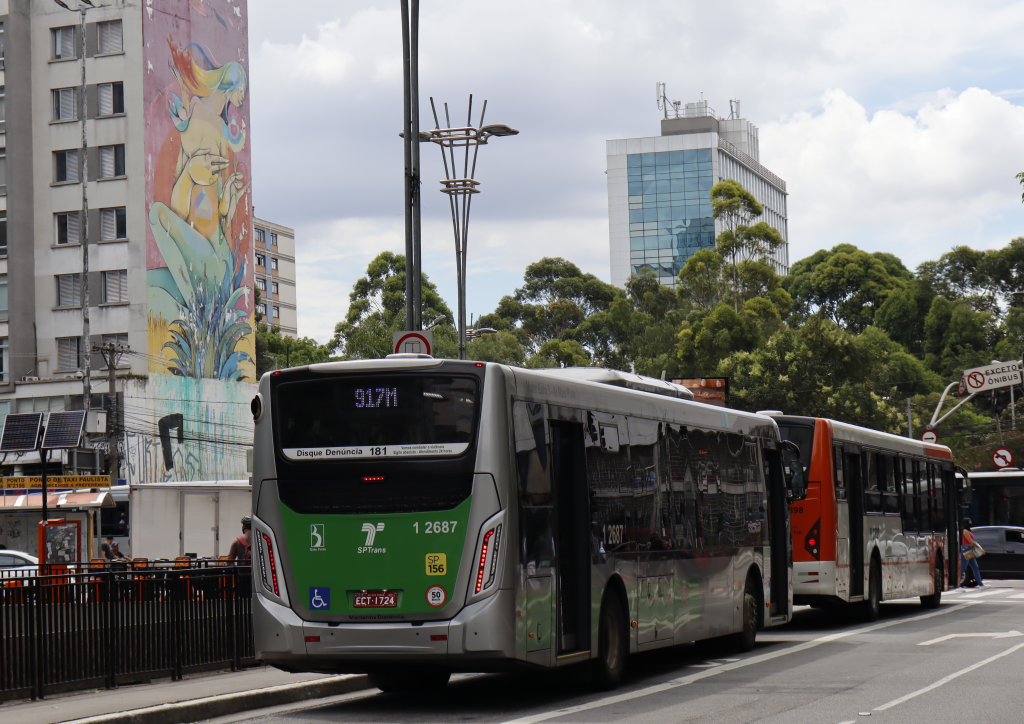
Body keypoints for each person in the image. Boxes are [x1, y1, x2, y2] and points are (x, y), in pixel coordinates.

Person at [960, 518, 984, 588]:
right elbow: (970, 541)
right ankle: (958, 585)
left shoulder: (968, 530)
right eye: (970, 521)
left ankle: (981, 584)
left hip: (969, 549)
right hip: (966, 549)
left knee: (975, 567)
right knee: (963, 568)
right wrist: (980, 549)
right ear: (967, 522)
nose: (971, 522)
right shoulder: (965, 531)